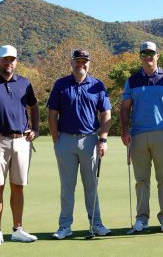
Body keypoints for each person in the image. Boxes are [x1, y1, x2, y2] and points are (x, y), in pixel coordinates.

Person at [0, 45, 39, 246]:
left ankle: (18, 229)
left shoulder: (24, 83)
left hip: (22, 140)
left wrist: (35, 129)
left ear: (16, 61)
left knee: (18, 186)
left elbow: (34, 106)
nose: (8, 63)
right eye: (5, 59)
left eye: (12, 59)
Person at [47, 48, 112, 239]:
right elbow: (52, 114)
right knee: (67, 187)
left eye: (84, 61)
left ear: (89, 63)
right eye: (78, 61)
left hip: (90, 140)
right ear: (72, 63)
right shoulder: (61, 84)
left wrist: (103, 138)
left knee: (91, 185)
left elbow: (106, 113)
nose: (81, 64)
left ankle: (96, 224)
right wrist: (56, 140)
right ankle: (65, 226)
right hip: (65, 140)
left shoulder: (97, 85)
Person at [120, 41, 163, 234]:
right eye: (144, 53)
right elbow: (125, 107)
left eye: (151, 53)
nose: (148, 56)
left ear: (158, 55)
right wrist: (124, 131)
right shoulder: (132, 80)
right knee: (141, 180)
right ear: (140, 56)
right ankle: (141, 219)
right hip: (138, 136)